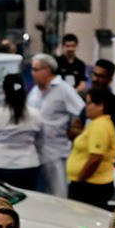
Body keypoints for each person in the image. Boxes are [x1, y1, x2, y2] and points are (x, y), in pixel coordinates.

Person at [27, 53, 85, 196]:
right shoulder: (34, 92)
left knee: (59, 195)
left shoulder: (64, 89)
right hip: (35, 153)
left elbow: (82, 112)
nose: (32, 73)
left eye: (35, 69)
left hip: (56, 153)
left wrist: (74, 130)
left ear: (47, 70)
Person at [0, 73, 44, 189]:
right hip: (28, 164)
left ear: (4, 91)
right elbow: (41, 141)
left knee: (0, 199)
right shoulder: (36, 114)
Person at [66, 87, 115, 208]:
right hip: (89, 184)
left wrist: (79, 180)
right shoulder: (96, 123)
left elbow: (95, 158)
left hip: (91, 185)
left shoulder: (100, 125)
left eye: (89, 103)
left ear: (101, 106)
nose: (86, 107)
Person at [70, 60, 115, 139]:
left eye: (100, 76)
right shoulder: (86, 98)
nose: (95, 79)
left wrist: (85, 133)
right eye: (94, 74)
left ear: (109, 80)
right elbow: (74, 129)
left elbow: (113, 134)